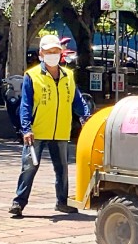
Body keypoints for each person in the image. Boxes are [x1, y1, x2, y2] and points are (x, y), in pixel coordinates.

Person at [8, 34, 91, 217]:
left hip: (60, 130)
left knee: (62, 168)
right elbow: (26, 105)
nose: (52, 55)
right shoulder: (32, 76)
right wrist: (26, 129)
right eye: (48, 52)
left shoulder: (68, 75)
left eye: (56, 51)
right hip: (37, 130)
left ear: (60, 54)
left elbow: (77, 100)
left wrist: (86, 115)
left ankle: (62, 202)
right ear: (41, 53)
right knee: (29, 167)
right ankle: (18, 202)